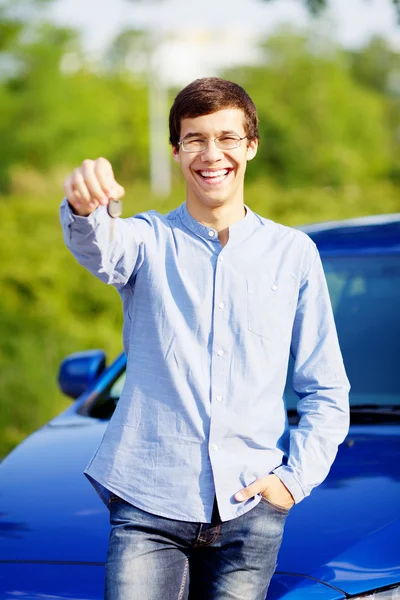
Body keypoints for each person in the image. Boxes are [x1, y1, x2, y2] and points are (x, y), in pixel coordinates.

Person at [60, 77, 350, 600]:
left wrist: (292, 482)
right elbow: (99, 246)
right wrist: (86, 207)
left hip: (250, 510)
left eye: (227, 138)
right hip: (148, 504)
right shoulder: (147, 240)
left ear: (251, 146)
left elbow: (326, 388)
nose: (211, 154)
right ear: (175, 151)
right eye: (195, 139)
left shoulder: (294, 254)